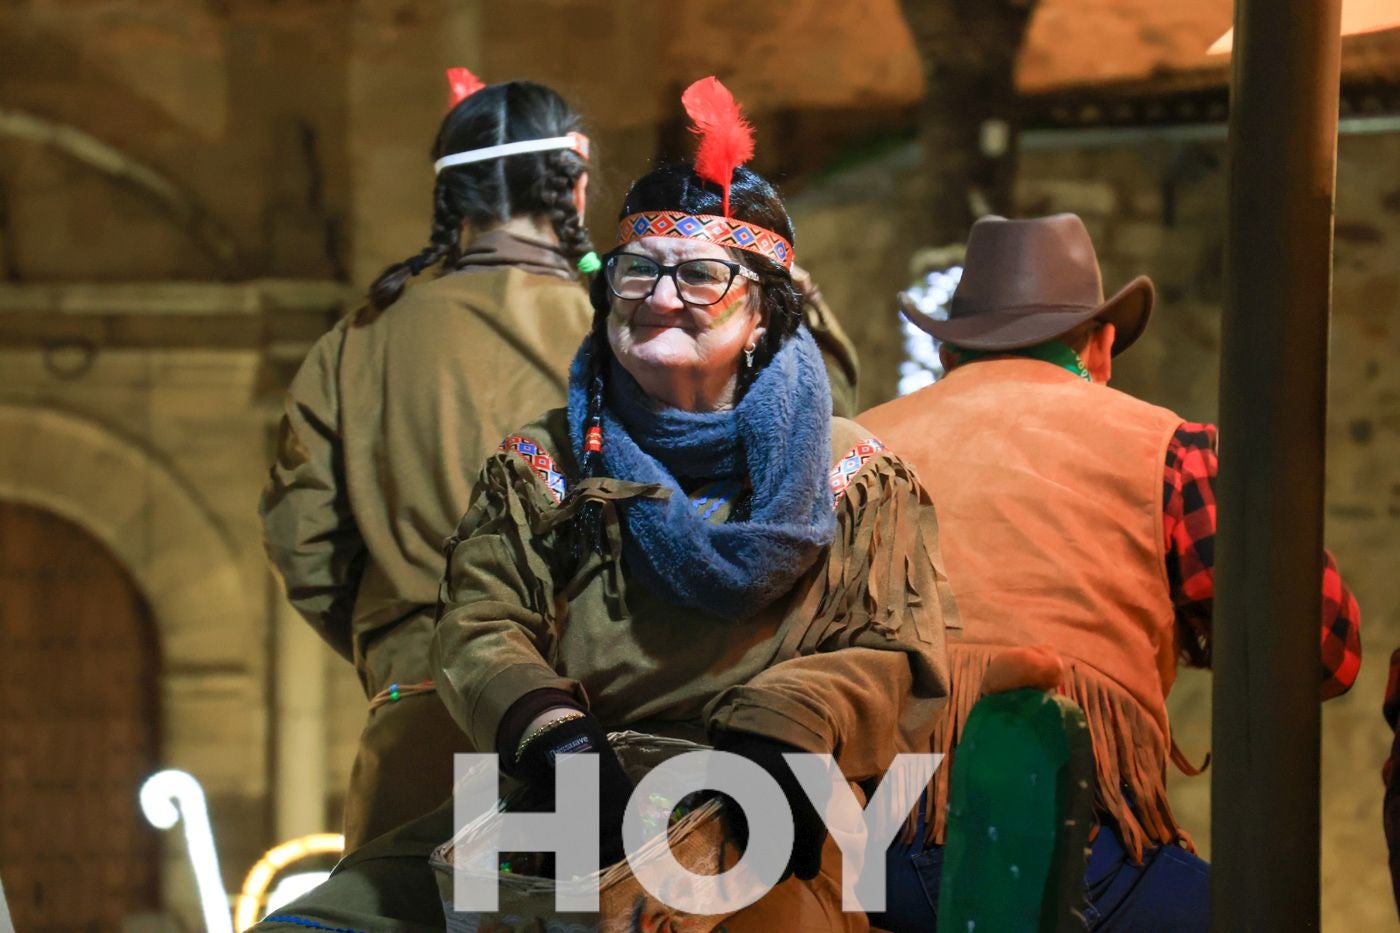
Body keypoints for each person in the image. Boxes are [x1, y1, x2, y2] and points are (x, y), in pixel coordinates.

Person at [255, 76, 951, 933]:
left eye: (701, 275)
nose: (661, 296)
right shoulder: (543, 458)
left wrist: (785, 727)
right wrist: (549, 731)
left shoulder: (850, 470)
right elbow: (479, 617)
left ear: (767, 314)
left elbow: (891, 647)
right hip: (543, 789)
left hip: (766, 812)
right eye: (638, 272)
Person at [859, 213, 1362, 931]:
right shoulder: (1169, 450)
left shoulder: (858, 443)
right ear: (1099, 345)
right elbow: (1324, 648)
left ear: (947, 352)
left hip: (872, 844)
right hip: (1081, 851)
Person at [260, 69, 599, 852]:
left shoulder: (356, 341)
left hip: (417, 718)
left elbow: (303, 539)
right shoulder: (626, 333)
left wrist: (400, 637)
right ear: (573, 189)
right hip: (583, 727)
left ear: (450, 194)